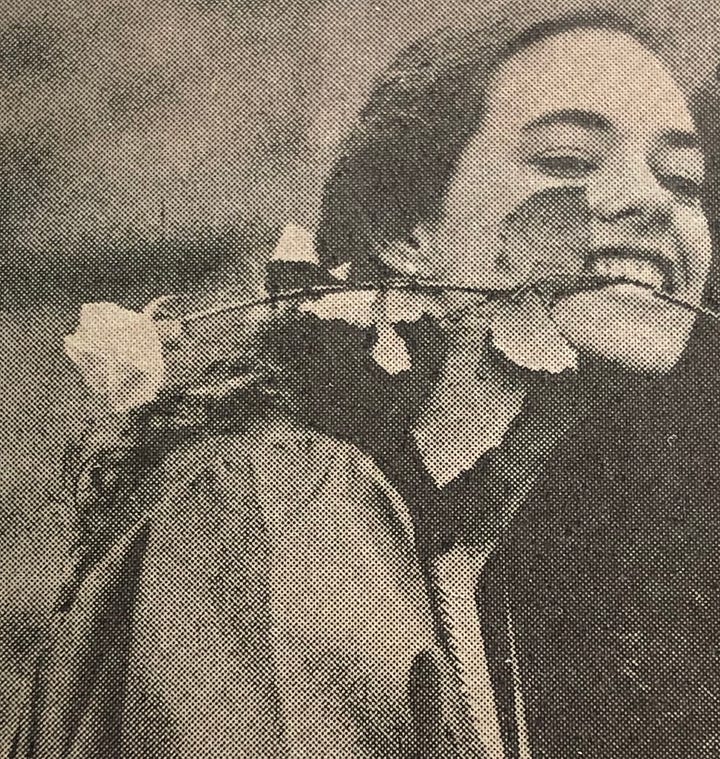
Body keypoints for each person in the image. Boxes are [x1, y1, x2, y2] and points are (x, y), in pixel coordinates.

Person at [10, 9, 720, 759]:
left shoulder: (459, 551)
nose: (652, 201)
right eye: (567, 160)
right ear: (405, 231)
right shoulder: (281, 498)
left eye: (682, 178)